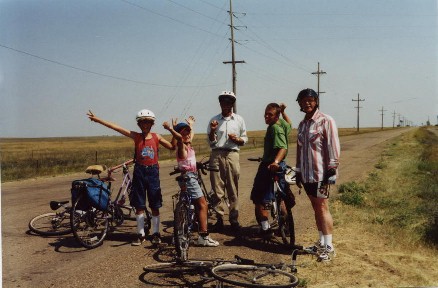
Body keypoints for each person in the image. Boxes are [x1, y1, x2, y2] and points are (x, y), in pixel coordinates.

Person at [87, 109, 175, 246]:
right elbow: (116, 127)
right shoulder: (136, 136)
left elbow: (172, 147)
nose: (145, 125)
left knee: (155, 204)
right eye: (142, 123)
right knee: (139, 204)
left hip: (153, 172)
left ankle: (156, 233)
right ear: (139, 124)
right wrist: (98, 119)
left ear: (152, 124)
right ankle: (140, 234)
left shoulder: (157, 137)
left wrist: (173, 131)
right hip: (139, 171)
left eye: (148, 122)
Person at [295, 88, 340, 262]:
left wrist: (332, 168)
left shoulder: (325, 121)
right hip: (307, 175)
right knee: (315, 208)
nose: (307, 103)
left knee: (322, 207)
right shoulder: (302, 124)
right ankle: (321, 242)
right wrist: (298, 171)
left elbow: (333, 146)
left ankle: (329, 247)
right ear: (299, 103)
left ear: (316, 101)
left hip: (321, 174)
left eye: (310, 100)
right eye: (303, 100)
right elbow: (299, 150)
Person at [163, 116, 219, 247]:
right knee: (203, 204)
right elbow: (179, 139)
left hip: (186, 176)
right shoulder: (182, 146)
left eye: (187, 132)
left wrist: (191, 125)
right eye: (184, 133)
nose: (187, 135)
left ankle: (189, 225)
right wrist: (171, 129)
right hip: (189, 177)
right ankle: (203, 236)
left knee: (191, 204)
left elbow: (190, 135)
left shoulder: (188, 144)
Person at [207, 91, 248, 232]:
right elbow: (210, 141)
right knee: (217, 188)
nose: (226, 105)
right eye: (223, 102)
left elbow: (245, 138)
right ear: (220, 104)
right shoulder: (214, 120)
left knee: (232, 187)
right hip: (217, 153)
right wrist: (213, 131)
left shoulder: (239, 120)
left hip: (232, 153)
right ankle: (219, 218)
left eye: (229, 102)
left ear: (232, 104)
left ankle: (234, 218)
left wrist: (238, 140)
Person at [250, 103, 292, 239]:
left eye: (270, 115)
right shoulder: (282, 124)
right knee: (281, 197)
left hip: (270, 165)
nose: (266, 117)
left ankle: (265, 229)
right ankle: (285, 228)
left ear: (276, 116)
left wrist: (275, 162)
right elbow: (290, 124)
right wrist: (284, 112)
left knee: (258, 197)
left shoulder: (275, 128)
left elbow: (283, 148)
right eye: (265, 114)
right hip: (281, 165)